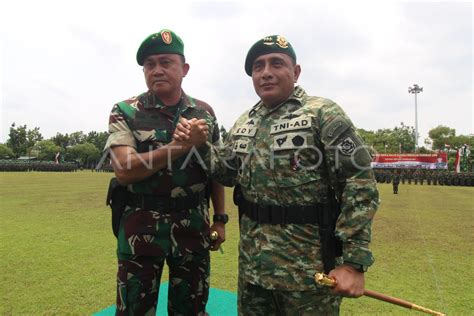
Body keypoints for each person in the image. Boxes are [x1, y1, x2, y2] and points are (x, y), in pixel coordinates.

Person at [175, 34, 379, 315]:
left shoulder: (323, 114)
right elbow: (227, 173)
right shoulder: (245, 121)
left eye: (276, 64)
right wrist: (201, 145)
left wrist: (354, 263)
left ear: (295, 72)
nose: (266, 73)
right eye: (258, 67)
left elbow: (360, 184)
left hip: (308, 275)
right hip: (254, 272)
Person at [104, 29, 227, 316]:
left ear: (184, 69)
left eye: (165, 62)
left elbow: (217, 170)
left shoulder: (204, 112)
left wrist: (220, 219)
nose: (156, 70)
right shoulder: (126, 111)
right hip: (141, 229)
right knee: (134, 309)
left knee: (191, 309)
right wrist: (180, 146)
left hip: (193, 227)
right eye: (149, 65)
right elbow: (124, 170)